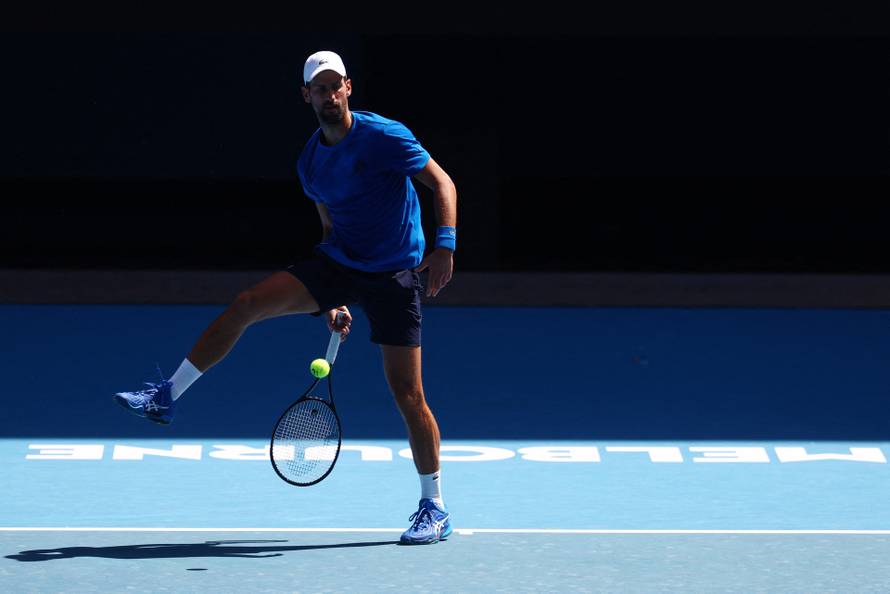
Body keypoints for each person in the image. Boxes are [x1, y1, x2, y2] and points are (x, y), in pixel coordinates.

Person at [113, 50, 458, 545]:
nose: (330, 93)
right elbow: (328, 226)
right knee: (248, 303)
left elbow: (441, 182)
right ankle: (166, 396)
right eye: (320, 87)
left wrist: (444, 243)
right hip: (339, 263)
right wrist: (330, 301)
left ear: (349, 87)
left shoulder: (385, 135)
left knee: (408, 395)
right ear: (307, 96)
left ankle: (435, 507)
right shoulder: (311, 162)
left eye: (336, 84)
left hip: (395, 274)